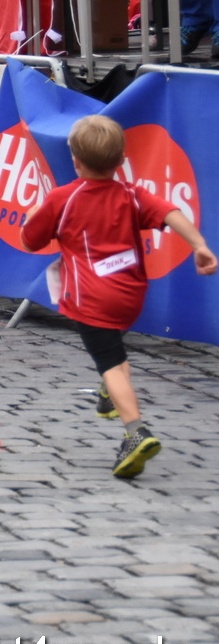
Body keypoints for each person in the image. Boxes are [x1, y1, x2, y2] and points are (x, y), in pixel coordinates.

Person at [21, 115, 217, 479]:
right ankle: (111, 394)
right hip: (131, 294)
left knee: (109, 362)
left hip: (91, 298)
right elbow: (172, 213)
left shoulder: (63, 198)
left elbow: (30, 240)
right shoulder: (132, 194)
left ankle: (135, 431)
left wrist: (32, 216)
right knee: (114, 351)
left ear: (75, 161)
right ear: (121, 159)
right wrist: (200, 246)